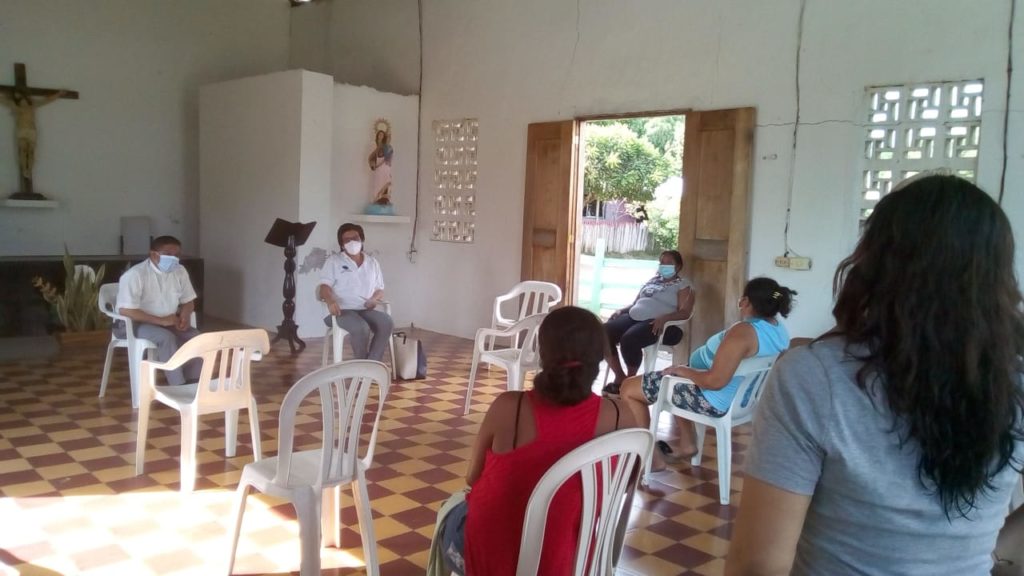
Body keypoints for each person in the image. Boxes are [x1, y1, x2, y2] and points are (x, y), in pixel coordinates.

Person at [725, 174, 1024, 575]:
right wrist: (984, 553)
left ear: (874, 261)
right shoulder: (1014, 383)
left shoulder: (814, 378)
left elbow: (758, 566)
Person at [435, 306, 638, 576]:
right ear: (600, 357)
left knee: (450, 513)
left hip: (496, 560)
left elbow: (472, 478)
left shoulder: (510, 408)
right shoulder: (620, 415)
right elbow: (626, 484)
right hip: (575, 560)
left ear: (543, 354)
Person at [619, 277, 793, 467]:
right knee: (675, 376)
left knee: (629, 388)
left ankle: (652, 458)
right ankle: (687, 444)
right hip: (740, 400)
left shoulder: (744, 332)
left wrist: (683, 370)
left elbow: (714, 381)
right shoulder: (777, 330)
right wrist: (686, 370)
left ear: (746, 301)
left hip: (712, 399)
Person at [602, 249, 695, 395]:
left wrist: (664, 318)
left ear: (678, 266)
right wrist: (621, 311)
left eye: (669, 263)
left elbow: (685, 312)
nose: (664, 265)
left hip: (661, 324)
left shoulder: (683, 285)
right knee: (603, 332)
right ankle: (620, 376)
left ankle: (629, 381)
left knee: (629, 339)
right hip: (634, 316)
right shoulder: (652, 281)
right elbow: (636, 303)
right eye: (662, 262)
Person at [115, 235, 200, 386]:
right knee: (166, 338)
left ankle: (194, 382)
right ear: (154, 255)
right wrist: (161, 321)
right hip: (133, 324)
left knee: (196, 337)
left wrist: (185, 316)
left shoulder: (180, 271)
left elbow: (188, 301)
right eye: (168, 254)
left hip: (168, 321)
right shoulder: (135, 274)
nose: (173, 259)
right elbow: (126, 311)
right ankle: (177, 385)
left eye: (177, 255)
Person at [318, 223, 393, 361]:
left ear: (362, 239)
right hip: (340, 311)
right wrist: (330, 301)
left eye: (355, 238)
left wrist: (374, 299)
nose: (352, 242)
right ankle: (362, 366)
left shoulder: (372, 262)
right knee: (361, 327)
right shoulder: (334, 261)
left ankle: (372, 363)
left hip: (364, 309)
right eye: (347, 240)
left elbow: (379, 289)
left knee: (386, 322)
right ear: (342, 245)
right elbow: (324, 287)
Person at [368, 127, 393, 206]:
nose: (380, 136)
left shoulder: (386, 147)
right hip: (378, 170)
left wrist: (378, 165)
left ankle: (384, 201)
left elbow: (386, 159)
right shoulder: (376, 146)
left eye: (382, 135)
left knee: (385, 183)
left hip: (385, 168)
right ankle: (377, 200)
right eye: (379, 134)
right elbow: (371, 157)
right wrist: (372, 164)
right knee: (377, 184)